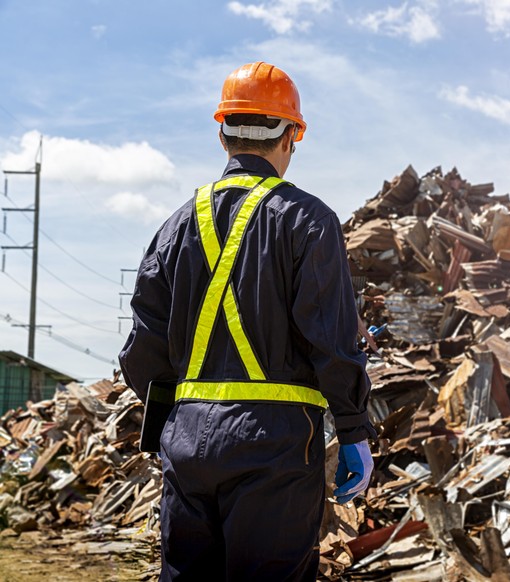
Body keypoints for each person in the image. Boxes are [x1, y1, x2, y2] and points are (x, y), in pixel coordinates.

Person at [119, 61, 376, 581]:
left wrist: (180, 422)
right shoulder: (308, 219)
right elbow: (332, 341)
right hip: (275, 445)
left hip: (187, 443)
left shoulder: (176, 224)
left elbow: (141, 348)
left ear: (223, 134)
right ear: (292, 136)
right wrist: (353, 430)